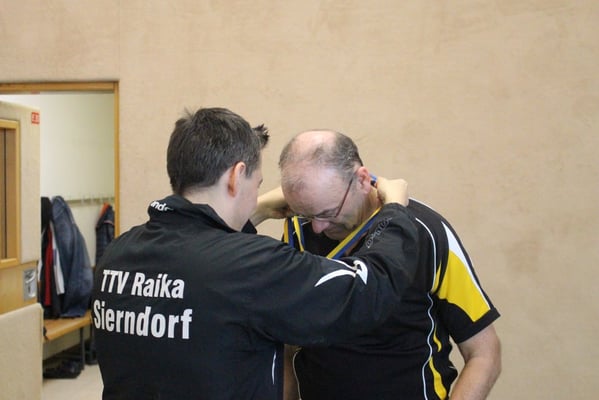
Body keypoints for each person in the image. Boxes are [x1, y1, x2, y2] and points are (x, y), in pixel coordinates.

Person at [91, 107, 422, 400]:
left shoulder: (118, 254)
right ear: (236, 176)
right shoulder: (251, 265)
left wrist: (258, 210)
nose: (257, 196)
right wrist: (394, 210)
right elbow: (366, 290)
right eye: (258, 184)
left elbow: (198, 268)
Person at [279, 130, 501, 400]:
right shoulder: (299, 231)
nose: (318, 227)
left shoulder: (427, 232)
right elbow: (288, 345)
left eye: (328, 212)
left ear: (362, 180)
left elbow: (484, 353)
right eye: (305, 213)